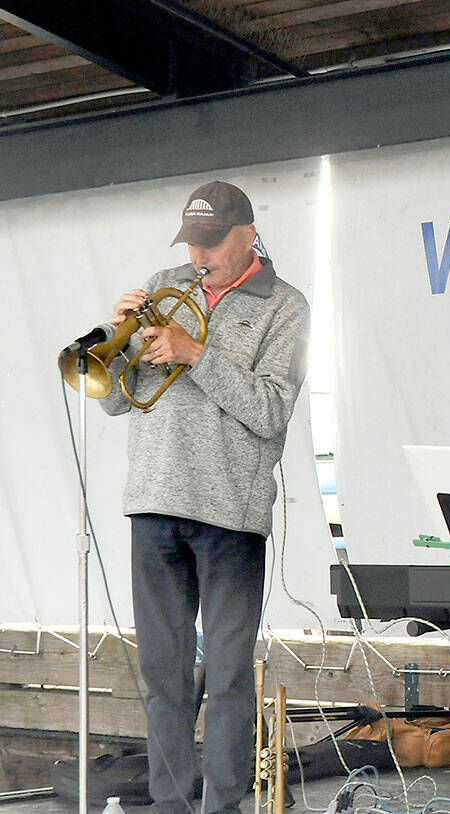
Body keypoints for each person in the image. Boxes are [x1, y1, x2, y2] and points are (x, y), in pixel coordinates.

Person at [100, 181, 309, 814]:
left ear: (248, 234)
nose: (199, 257)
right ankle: (170, 806)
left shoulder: (286, 307)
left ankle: (223, 806)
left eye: (212, 243)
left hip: (230, 516)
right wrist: (114, 337)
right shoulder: (167, 281)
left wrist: (198, 354)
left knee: (226, 677)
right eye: (192, 243)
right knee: (162, 679)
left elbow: (272, 410)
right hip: (155, 502)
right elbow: (113, 399)